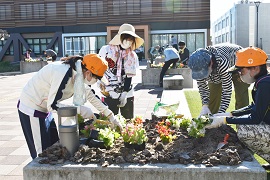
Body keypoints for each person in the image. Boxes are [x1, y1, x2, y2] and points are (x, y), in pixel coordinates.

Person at [17, 53, 122, 159]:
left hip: (44, 109)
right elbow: (53, 106)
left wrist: (111, 117)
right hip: (32, 108)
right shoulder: (62, 72)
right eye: (97, 79)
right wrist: (79, 110)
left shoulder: (80, 73)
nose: (96, 82)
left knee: (53, 147)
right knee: (41, 155)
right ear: (89, 73)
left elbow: (92, 96)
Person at [205, 46, 270, 170]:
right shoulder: (263, 82)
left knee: (245, 132)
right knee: (243, 126)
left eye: (241, 71)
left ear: (255, 68)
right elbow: (255, 106)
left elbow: (255, 118)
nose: (239, 74)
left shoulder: (265, 84)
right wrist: (231, 114)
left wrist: (225, 120)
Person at [188, 43, 250, 116]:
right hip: (217, 71)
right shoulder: (197, 64)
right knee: (212, 99)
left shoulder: (222, 62)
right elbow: (202, 87)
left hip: (239, 66)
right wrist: (205, 105)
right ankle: (210, 123)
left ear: (210, 63)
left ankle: (242, 123)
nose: (202, 75)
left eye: (203, 72)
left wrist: (221, 113)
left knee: (241, 97)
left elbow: (227, 90)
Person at [98, 23, 144, 120]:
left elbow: (129, 76)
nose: (128, 42)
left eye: (131, 39)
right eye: (126, 38)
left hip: (127, 92)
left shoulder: (132, 55)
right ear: (120, 37)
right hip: (109, 92)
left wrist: (125, 93)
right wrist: (101, 85)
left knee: (128, 121)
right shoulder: (106, 50)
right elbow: (99, 70)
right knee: (109, 122)